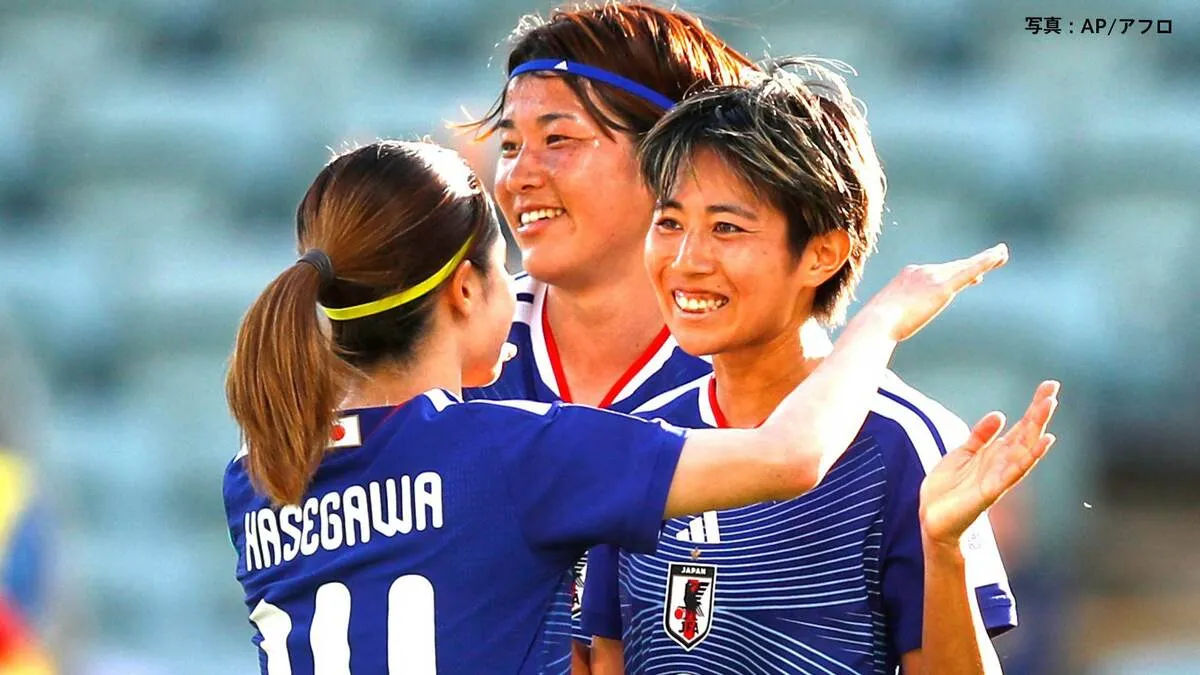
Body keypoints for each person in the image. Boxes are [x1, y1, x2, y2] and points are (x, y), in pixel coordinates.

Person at [221, 139, 1054, 674]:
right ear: (466, 290)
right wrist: (880, 320)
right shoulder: (512, 450)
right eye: (506, 271)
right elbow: (792, 455)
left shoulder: (256, 475)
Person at [581, 61, 1042, 674]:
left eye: (726, 228)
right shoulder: (633, 436)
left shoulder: (903, 441)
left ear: (823, 252)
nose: (687, 260)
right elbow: (604, 659)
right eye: (669, 223)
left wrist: (943, 547)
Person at [461, 5, 757, 665]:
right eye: (508, 146)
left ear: (671, 159)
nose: (518, 176)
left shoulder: (766, 372)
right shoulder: (450, 359)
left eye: (557, 139)